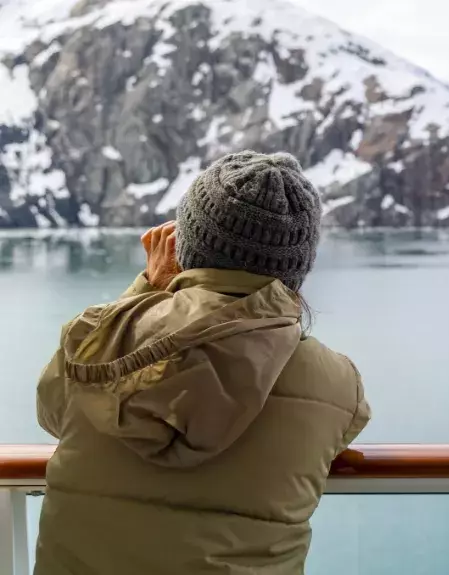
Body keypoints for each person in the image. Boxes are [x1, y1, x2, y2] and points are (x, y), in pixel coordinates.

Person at [34, 151, 370, 574]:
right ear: (296, 266)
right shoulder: (338, 384)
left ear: (183, 244)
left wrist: (144, 296)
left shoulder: (93, 341)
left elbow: (53, 413)